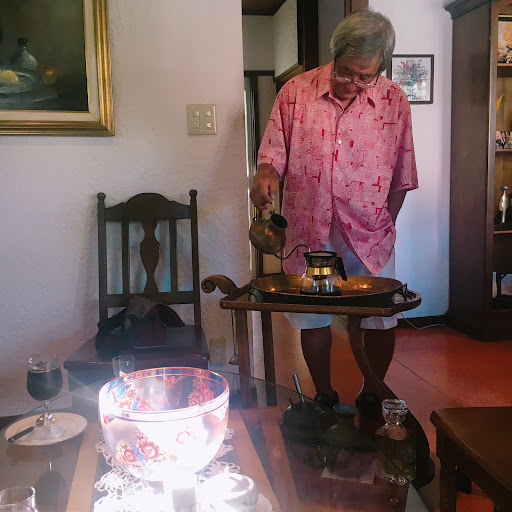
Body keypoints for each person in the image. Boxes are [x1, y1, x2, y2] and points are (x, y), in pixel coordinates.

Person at [249, 9, 418, 411]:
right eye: (346, 72)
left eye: (365, 76)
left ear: (380, 68)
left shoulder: (394, 100)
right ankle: (323, 392)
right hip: (309, 223)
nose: (353, 84)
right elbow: (273, 152)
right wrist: (266, 173)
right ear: (334, 54)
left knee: (380, 314)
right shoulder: (295, 92)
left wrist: (386, 224)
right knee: (312, 312)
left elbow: (403, 173)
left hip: (370, 227)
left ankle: (373, 390)